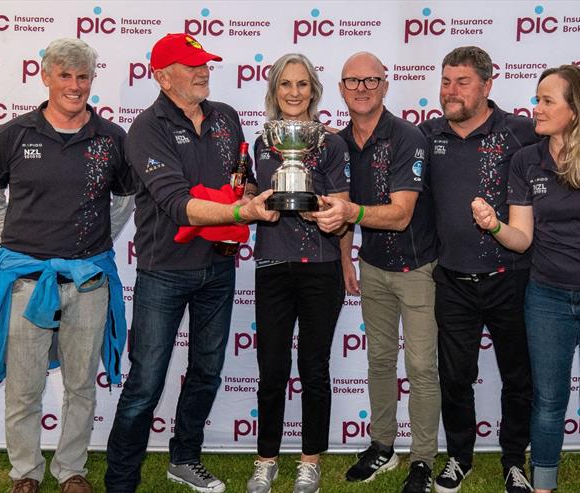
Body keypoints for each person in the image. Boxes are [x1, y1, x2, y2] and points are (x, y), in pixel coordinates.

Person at [104, 33, 279, 493]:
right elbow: (177, 205)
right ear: (162, 76)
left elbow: (244, 182)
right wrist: (244, 211)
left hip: (219, 267)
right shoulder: (147, 127)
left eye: (205, 64)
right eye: (191, 65)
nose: (203, 71)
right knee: (146, 381)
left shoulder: (226, 117)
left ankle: (184, 458)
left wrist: (261, 195)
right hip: (164, 270)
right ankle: (121, 480)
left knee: (206, 370)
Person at [472, 64, 580, 493]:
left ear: (577, 108)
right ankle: (543, 486)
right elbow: (521, 239)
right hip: (547, 299)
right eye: (538, 98)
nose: (536, 107)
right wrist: (494, 225)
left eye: (547, 100)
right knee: (548, 403)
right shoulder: (526, 160)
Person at [0, 38, 134, 493]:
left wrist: (86, 241)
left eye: (82, 76)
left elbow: (124, 198)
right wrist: (19, 235)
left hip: (88, 282)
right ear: (45, 76)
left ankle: (71, 471)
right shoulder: (13, 134)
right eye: (64, 75)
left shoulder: (111, 138)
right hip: (26, 283)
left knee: (81, 386)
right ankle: (25, 473)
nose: (74, 85)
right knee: (24, 389)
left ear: (91, 80)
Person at [311, 51, 439, 493]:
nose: (361, 89)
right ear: (341, 89)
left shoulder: (408, 137)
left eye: (371, 81)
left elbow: (401, 214)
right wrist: (346, 257)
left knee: (421, 366)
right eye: (353, 81)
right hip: (372, 265)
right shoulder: (338, 142)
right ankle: (382, 444)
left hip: (417, 267)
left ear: (385, 85)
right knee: (380, 360)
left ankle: (422, 460)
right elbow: (339, 208)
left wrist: (350, 212)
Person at [418, 46, 539, 493]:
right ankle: (459, 457)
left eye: (462, 82)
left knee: (517, 376)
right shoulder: (427, 135)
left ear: (487, 85)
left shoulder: (523, 132)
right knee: (454, 377)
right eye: (446, 81)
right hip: (451, 279)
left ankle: (514, 460)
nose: (450, 91)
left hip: (513, 278)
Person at [244, 53, 351, 493]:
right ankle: (265, 458)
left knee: (314, 367)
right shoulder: (262, 142)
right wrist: (250, 198)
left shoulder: (332, 143)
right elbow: (255, 195)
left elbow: (342, 210)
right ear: (274, 90)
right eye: (285, 84)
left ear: (314, 90)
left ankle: (310, 461)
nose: (293, 92)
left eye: (302, 84)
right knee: (270, 367)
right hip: (272, 265)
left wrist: (327, 219)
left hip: (320, 269)